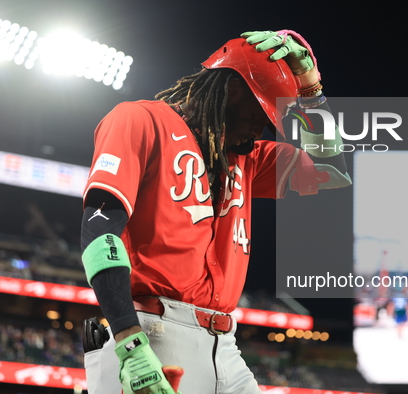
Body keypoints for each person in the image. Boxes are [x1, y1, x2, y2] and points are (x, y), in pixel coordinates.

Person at [80, 30, 351, 394]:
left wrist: (311, 91)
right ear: (233, 90)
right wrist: (129, 341)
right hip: (152, 332)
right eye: (262, 112)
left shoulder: (248, 157)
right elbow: (100, 232)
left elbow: (333, 171)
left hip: (225, 345)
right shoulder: (139, 119)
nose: (264, 127)